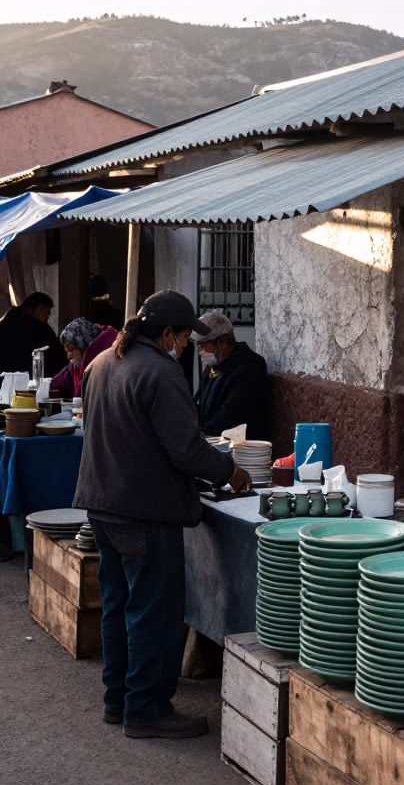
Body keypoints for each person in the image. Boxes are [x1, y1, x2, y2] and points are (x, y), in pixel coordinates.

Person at [74, 290, 252, 740]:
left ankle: (119, 700)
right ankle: (148, 709)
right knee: (154, 612)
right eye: (184, 337)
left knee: (119, 606)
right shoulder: (161, 371)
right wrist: (229, 470)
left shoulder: (101, 364)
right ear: (167, 333)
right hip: (144, 510)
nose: (188, 346)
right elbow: (187, 449)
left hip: (103, 504)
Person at [193, 310, 269, 440]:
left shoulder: (248, 369)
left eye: (202, 345)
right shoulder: (215, 365)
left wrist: (202, 434)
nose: (200, 351)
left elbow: (231, 415)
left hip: (241, 448)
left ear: (222, 341)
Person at [49, 318, 119, 399]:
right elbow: (59, 382)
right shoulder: (75, 365)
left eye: (71, 350)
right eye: (66, 351)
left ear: (82, 346)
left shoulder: (104, 361)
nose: (68, 356)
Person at [0, 291, 64, 378]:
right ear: (32, 308)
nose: (47, 316)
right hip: (27, 377)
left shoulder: (12, 319)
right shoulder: (32, 326)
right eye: (45, 311)